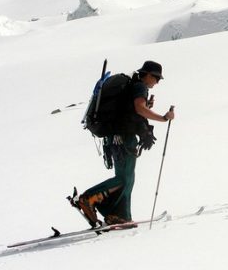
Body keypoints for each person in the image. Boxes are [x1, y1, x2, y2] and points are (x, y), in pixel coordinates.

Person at [73, 60, 175, 227]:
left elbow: (131, 110)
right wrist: (163, 118)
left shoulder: (131, 86)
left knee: (127, 178)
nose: (157, 82)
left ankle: (119, 215)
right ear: (148, 75)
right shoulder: (139, 87)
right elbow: (139, 109)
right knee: (124, 178)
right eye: (157, 78)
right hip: (124, 138)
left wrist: (145, 108)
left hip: (114, 137)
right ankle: (88, 198)